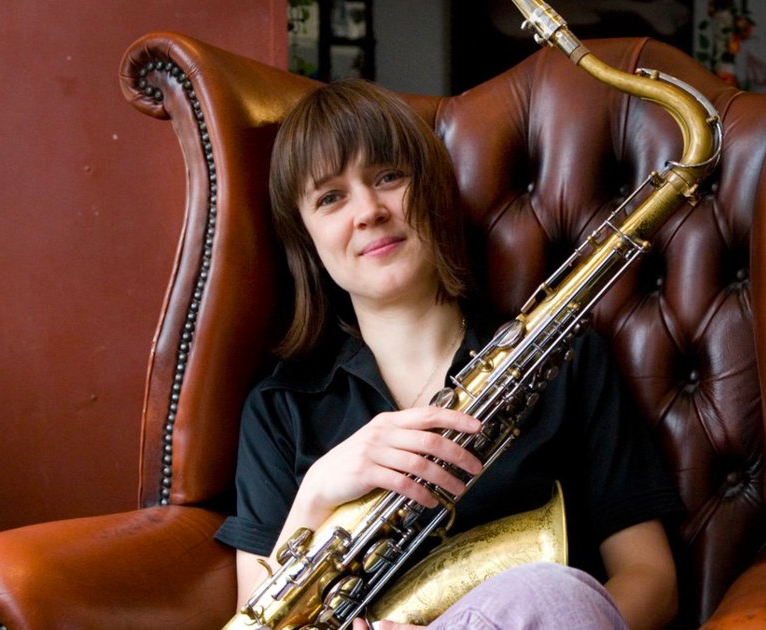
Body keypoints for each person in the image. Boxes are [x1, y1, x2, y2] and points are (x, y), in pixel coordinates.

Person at [214, 78, 684, 630]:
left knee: (550, 592)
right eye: (330, 198)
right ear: (307, 240)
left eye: (388, 177)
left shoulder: (566, 359)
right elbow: (256, 621)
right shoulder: (280, 408)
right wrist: (317, 491)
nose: (368, 211)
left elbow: (652, 582)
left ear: (433, 190)